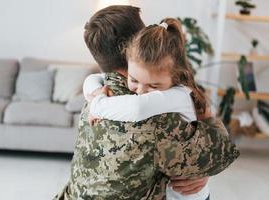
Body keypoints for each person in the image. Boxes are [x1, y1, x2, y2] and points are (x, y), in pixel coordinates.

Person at [53, 5, 239, 200]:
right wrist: (203, 168)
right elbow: (218, 153)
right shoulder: (158, 120)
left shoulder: (90, 102)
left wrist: (95, 97)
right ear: (133, 47)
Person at [83, 18, 215, 200]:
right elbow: (94, 77)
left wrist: (96, 103)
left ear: (175, 77)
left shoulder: (177, 95)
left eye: (153, 86)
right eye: (134, 80)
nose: (142, 91)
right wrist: (94, 90)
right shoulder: (144, 73)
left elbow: (138, 107)